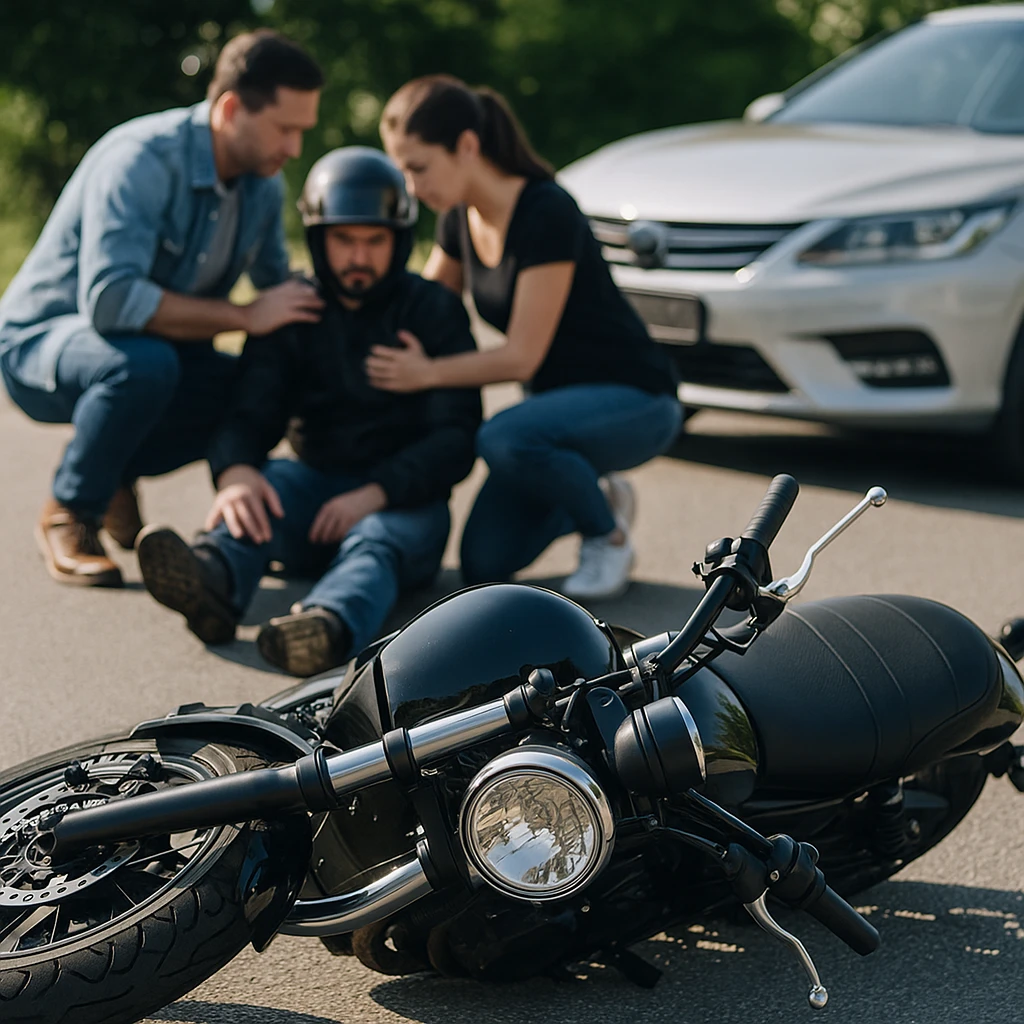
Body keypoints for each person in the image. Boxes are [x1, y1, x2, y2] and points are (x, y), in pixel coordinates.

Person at [135, 147, 482, 677]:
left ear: (400, 240)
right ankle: (212, 579)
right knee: (266, 485)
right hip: (311, 494)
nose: (359, 256)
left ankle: (326, 626)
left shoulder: (434, 310)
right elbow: (250, 408)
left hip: (405, 506)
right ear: (319, 240)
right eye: (344, 240)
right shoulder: (291, 308)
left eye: (374, 241)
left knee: (377, 540)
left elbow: (456, 438)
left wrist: (376, 492)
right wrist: (235, 472)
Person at [0, 30, 325, 588]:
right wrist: (244, 316)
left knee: (254, 391)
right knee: (145, 366)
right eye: (285, 129)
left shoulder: (263, 186)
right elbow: (112, 300)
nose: (295, 148)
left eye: (303, 131)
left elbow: (280, 291)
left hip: (155, 352)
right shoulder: (140, 160)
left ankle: (111, 469)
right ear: (230, 109)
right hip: (39, 343)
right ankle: (71, 509)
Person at [372, 75, 682, 602]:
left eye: (418, 167)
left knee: (502, 438)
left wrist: (425, 374)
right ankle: (595, 494)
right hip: (550, 422)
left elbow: (521, 358)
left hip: (636, 400)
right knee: (484, 562)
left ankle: (606, 536)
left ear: (466, 146)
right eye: (402, 170)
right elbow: (423, 310)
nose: (411, 187)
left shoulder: (545, 210)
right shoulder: (458, 219)